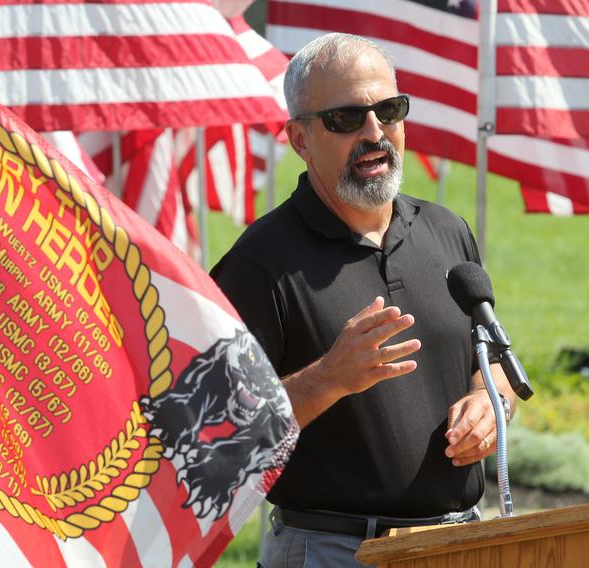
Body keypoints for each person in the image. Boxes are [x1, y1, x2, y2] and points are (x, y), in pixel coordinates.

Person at [210, 33, 517, 566]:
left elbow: (489, 362)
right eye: (346, 119)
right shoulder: (259, 264)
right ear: (300, 140)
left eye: (388, 110)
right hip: (332, 549)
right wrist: (328, 377)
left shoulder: (448, 232)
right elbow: (220, 428)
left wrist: (491, 401)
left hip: (461, 542)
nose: (375, 132)